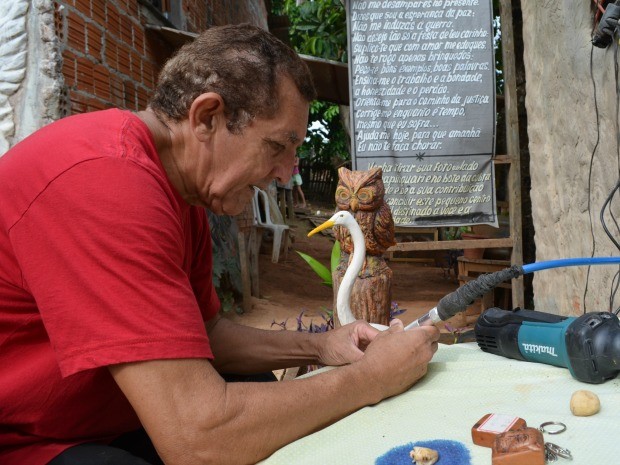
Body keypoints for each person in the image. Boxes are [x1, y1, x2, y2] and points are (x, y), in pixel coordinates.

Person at [0, 24, 440, 465]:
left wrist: (322, 345)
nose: (287, 173)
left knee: (262, 395)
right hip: (22, 439)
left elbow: (205, 333)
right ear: (207, 117)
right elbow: (198, 441)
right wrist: (371, 378)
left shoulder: (178, 191)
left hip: (98, 417)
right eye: (277, 146)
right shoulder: (103, 183)